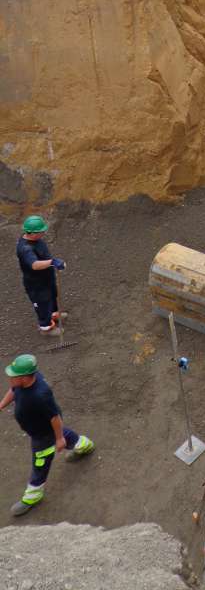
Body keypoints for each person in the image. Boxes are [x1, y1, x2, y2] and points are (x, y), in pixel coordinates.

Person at [0, 354, 94, 516]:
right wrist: (1, 404)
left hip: (42, 436)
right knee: (64, 434)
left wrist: (58, 439)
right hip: (40, 428)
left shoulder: (40, 395)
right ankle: (84, 444)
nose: (9, 378)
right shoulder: (24, 382)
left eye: (13, 375)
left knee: (40, 464)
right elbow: (13, 390)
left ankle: (33, 495)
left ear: (23, 378)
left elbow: (55, 418)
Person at [16, 215, 66, 336]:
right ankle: (46, 327)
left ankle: (54, 314)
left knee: (53, 295)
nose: (43, 232)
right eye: (41, 231)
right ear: (32, 233)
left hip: (46, 277)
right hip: (36, 283)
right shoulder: (25, 249)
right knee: (43, 303)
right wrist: (52, 262)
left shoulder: (36, 240)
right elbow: (34, 265)